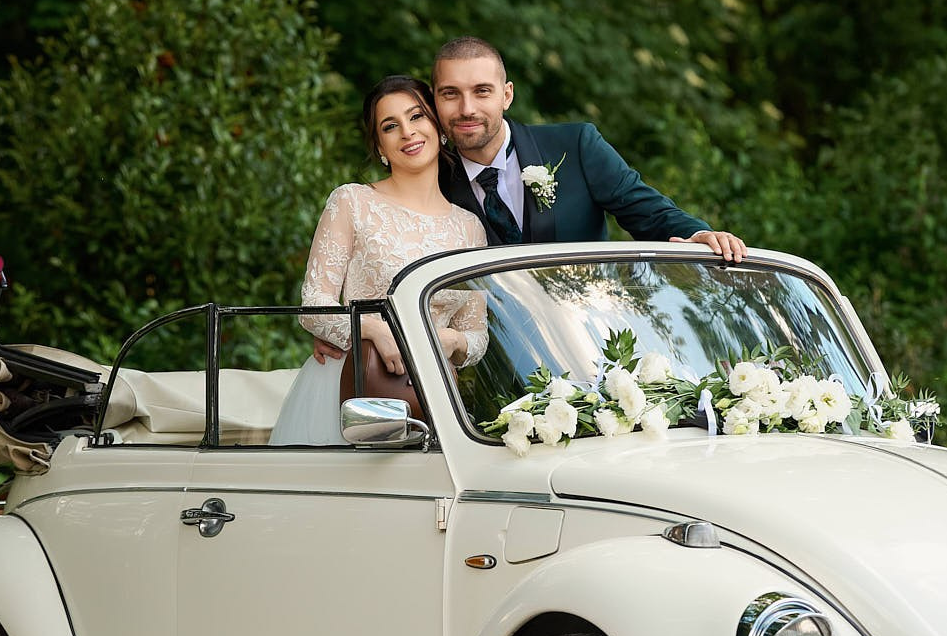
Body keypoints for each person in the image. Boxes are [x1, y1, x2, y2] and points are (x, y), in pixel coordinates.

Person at [269, 75, 489, 446]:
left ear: (438, 128)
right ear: (381, 147)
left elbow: (477, 336)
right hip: (353, 387)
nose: (407, 132)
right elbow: (314, 307)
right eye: (390, 126)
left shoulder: (470, 228)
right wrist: (372, 330)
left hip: (433, 396)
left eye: (417, 117)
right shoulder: (352, 202)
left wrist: (449, 340)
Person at [430, 36, 748, 260]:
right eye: (450, 94)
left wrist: (698, 235)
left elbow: (650, 213)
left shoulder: (576, 146)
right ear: (435, 99)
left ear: (507, 95)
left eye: (482, 91)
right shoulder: (432, 182)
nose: (466, 108)